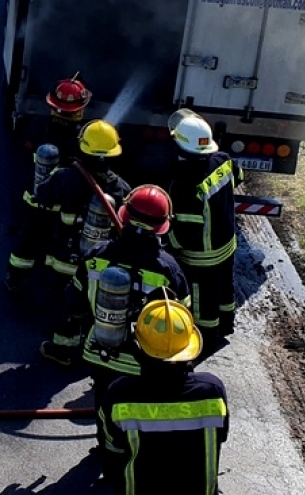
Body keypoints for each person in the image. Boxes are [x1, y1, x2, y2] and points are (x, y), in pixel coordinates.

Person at [40, 185, 190, 456]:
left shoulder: (96, 256)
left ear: (124, 216)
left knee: (105, 404)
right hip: (148, 360)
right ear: (162, 227)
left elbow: (73, 301)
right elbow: (183, 323)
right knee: (141, 407)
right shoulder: (170, 270)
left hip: (101, 354)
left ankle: (109, 450)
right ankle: (138, 452)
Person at [99, 297, 229, 494]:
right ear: (190, 351)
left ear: (137, 348)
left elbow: (113, 452)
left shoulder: (119, 395)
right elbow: (221, 436)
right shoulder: (213, 392)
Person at [6, 119, 131, 292]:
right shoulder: (122, 189)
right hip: (96, 269)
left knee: (32, 228)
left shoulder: (64, 177)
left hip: (59, 261)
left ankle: (15, 279)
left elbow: (41, 196)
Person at [166, 111, 244, 348]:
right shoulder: (224, 160)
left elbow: (184, 232)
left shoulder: (185, 184)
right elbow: (238, 177)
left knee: (203, 298)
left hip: (202, 257)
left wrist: (172, 248)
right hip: (227, 244)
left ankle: (207, 336)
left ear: (179, 146)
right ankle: (227, 322)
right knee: (225, 286)